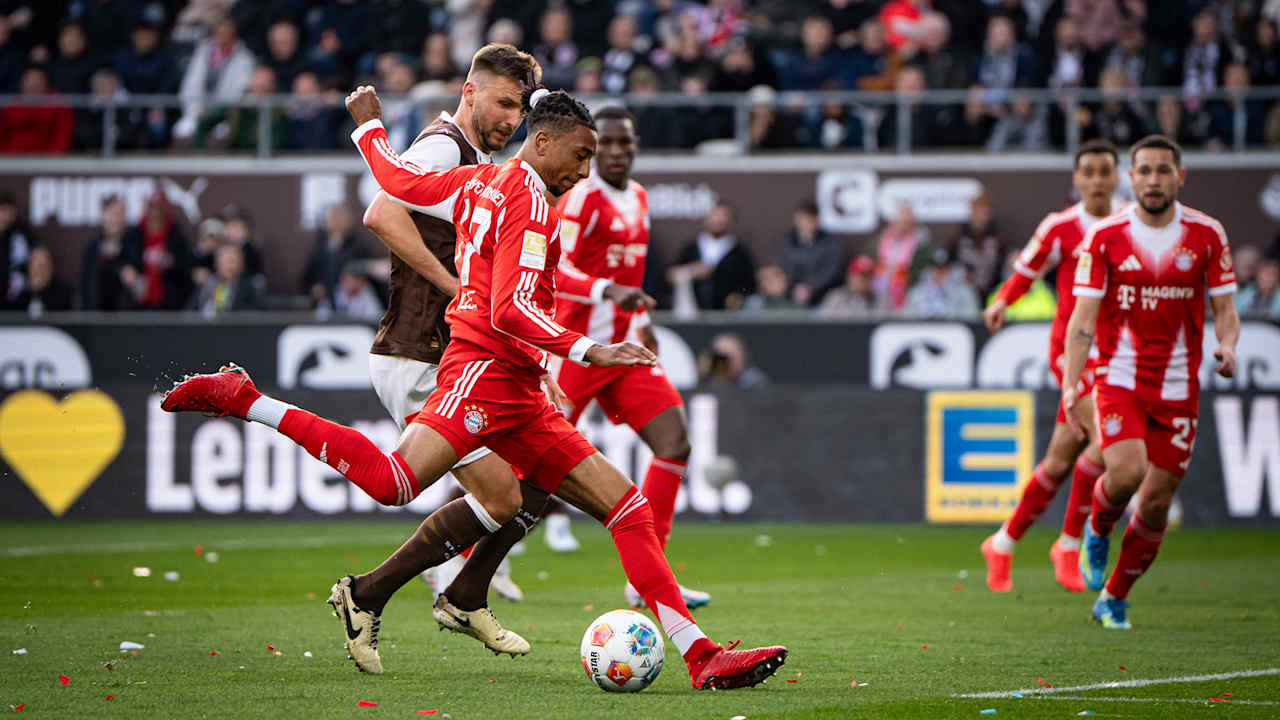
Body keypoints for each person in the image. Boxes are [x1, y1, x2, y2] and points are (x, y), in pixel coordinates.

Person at [162, 85, 787, 690]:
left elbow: (403, 184)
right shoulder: (532, 201)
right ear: (542, 142)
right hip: (480, 377)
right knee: (393, 482)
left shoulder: (481, 177)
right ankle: (243, 398)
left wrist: (368, 128)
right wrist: (588, 347)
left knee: (626, 509)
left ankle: (699, 655)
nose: (584, 169)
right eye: (580, 154)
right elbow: (511, 308)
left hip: (519, 386)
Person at [357, 44, 543, 646]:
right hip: (418, 354)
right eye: (503, 103)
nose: (511, 119)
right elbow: (382, 213)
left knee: (529, 474)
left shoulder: (480, 162)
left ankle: (461, 587)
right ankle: (402, 592)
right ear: (470, 92)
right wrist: (456, 285)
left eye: (519, 108)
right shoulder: (443, 148)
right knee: (490, 488)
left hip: (450, 354)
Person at [1063, 135, 1239, 629]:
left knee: (1158, 502)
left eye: (1163, 170)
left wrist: (1227, 346)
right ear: (1130, 177)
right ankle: (1097, 527)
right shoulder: (1106, 236)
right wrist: (1071, 384)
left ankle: (1115, 596)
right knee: (1126, 472)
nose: (1154, 180)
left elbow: (1225, 310)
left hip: (1181, 386)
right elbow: (1083, 318)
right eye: (1144, 171)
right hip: (1119, 378)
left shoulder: (1207, 234)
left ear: (1180, 176)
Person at [980, 139, 1120, 594]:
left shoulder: (1129, 226)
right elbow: (1026, 271)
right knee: (1107, 438)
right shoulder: (1061, 227)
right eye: (1089, 171)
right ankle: (1068, 541)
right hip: (1074, 353)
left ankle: (1002, 542)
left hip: (1121, 351)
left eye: (1105, 171)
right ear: (1077, 180)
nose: (1097, 179)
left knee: (1060, 461)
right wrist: (1002, 300)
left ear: (1117, 177)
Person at [667, 203, 757, 310]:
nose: (717, 221)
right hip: (694, 311)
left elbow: (749, 283)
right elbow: (671, 274)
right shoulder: (692, 248)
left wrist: (738, 296)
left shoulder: (739, 251)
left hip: (728, 314)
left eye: (722, 216)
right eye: (714, 215)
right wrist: (691, 271)